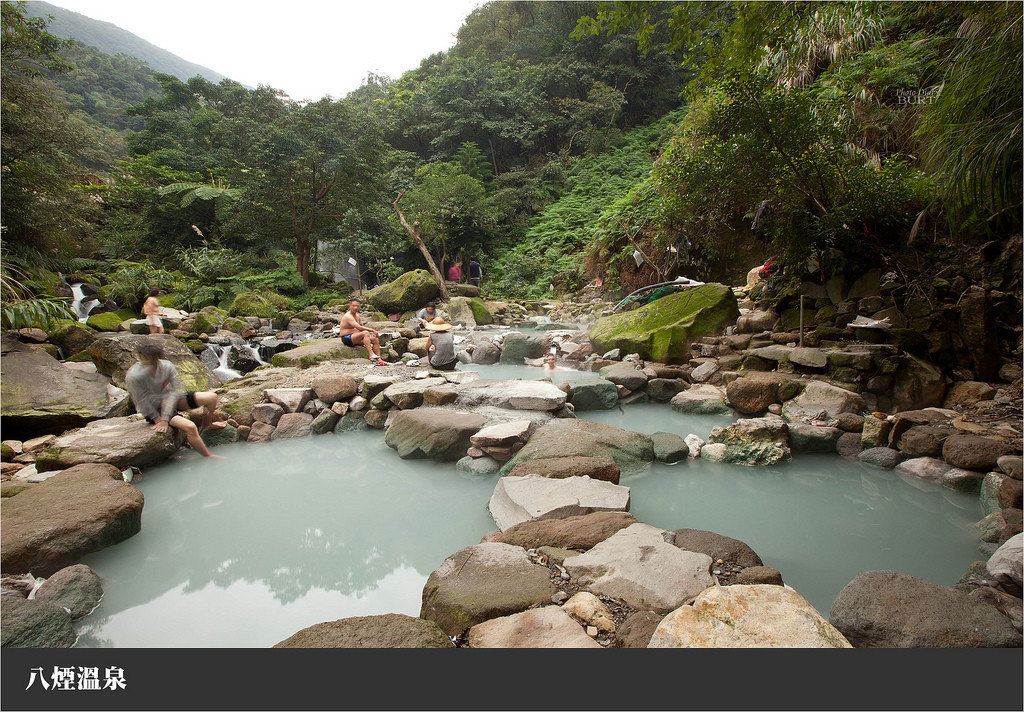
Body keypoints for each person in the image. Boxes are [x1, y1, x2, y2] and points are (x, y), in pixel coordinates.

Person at [125, 341, 225, 459]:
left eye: (154, 359)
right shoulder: (134, 376)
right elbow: (141, 402)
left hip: (173, 399)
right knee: (191, 427)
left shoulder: (167, 366)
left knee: (212, 397)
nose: (152, 362)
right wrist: (160, 419)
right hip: (155, 408)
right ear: (140, 357)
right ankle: (208, 456)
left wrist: (168, 411)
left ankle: (207, 425)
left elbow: (176, 390)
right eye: (147, 359)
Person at [339, 298, 387, 366]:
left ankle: (379, 359)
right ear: (349, 306)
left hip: (355, 336)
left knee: (374, 338)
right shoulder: (348, 316)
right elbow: (359, 327)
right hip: (346, 338)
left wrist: (371, 334)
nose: (356, 307)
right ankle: (371, 354)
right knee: (365, 333)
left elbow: (362, 327)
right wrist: (372, 330)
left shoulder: (357, 316)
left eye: (357, 306)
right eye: (354, 306)